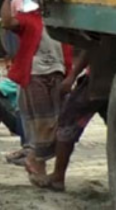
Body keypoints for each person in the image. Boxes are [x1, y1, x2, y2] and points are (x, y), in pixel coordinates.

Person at [1, 0, 67, 181]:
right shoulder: (30, 18)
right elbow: (6, 22)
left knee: (56, 122)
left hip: (58, 74)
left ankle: (35, 158)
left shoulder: (63, 22)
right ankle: (36, 160)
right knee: (41, 122)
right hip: (36, 74)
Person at [33, 50, 105, 192]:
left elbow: (91, 47)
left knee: (68, 120)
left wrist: (72, 76)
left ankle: (58, 176)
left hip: (100, 76)